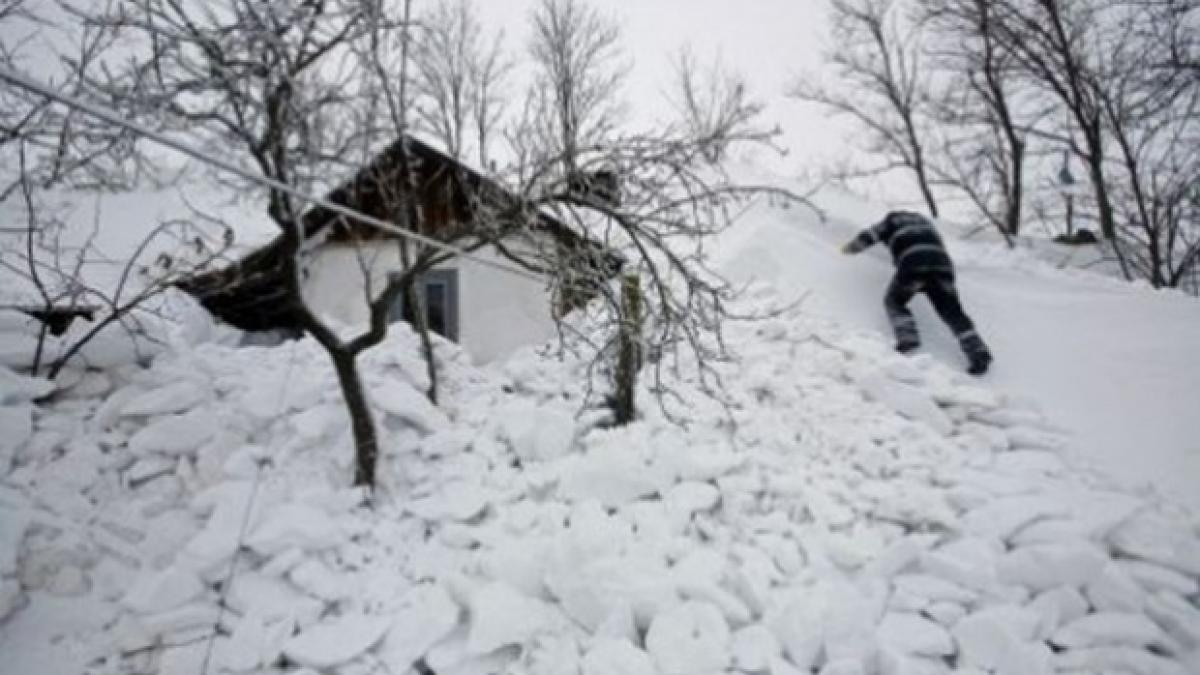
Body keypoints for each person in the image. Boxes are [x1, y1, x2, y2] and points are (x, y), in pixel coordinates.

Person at [842, 211, 993, 375]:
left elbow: (868, 237)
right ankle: (978, 352)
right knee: (952, 312)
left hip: (914, 263)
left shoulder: (891, 220)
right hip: (942, 266)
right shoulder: (926, 223)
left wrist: (847, 250)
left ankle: (908, 338)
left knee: (895, 301)